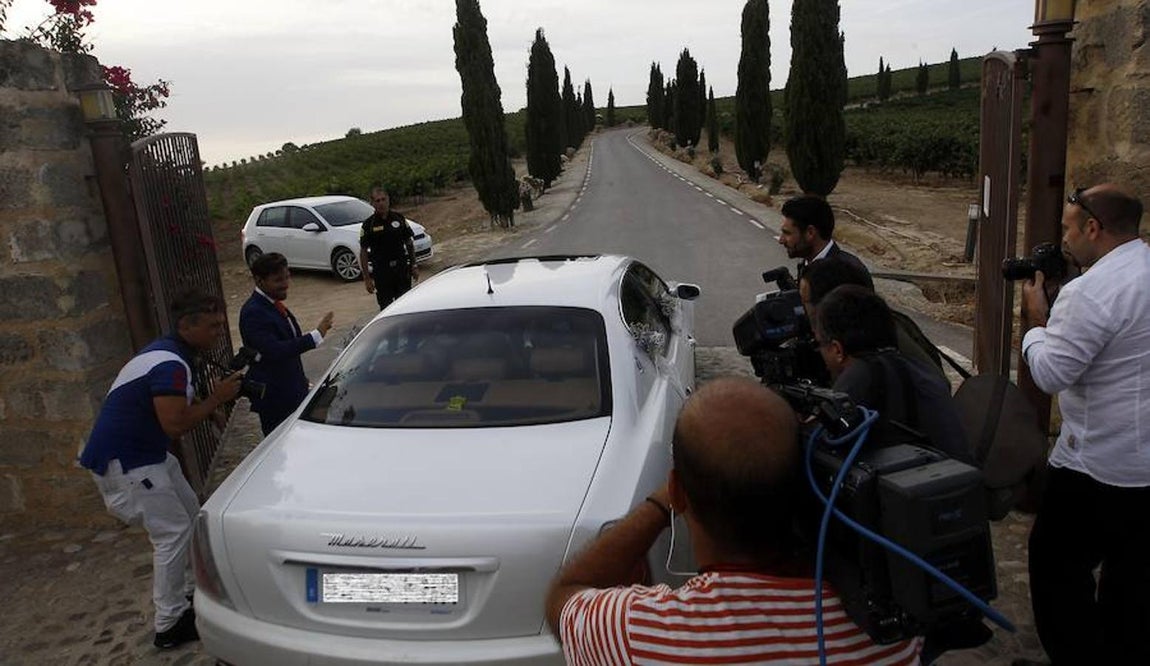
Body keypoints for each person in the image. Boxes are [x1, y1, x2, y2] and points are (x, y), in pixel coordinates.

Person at [545, 377, 923, 665]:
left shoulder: (639, 635)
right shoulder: (894, 628)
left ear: (679, 494)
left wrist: (660, 505)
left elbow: (566, 596)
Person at [1016, 184, 1150, 665]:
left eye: (1069, 228)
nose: (1064, 238)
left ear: (1094, 228)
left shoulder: (1089, 293)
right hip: (1145, 465)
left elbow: (1052, 373)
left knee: (1055, 566)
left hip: (1096, 465)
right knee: (1130, 576)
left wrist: (1036, 324)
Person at [78, 288, 243, 649]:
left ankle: (189, 595)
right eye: (213, 325)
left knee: (190, 517)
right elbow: (174, 424)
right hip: (131, 464)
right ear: (187, 326)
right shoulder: (170, 363)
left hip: (146, 456)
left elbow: (171, 408)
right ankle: (169, 624)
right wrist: (216, 399)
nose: (219, 330)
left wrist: (208, 404)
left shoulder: (169, 353)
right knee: (170, 535)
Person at [813, 284, 971, 464]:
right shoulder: (921, 370)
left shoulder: (858, 378)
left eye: (819, 344)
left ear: (837, 350)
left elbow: (820, 450)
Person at [801, 257, 948, 384]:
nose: (801, 309)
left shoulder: (882, 335)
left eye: (804, 302)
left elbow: (935, 383)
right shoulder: (854, 330)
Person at [239, 252, 334, 435]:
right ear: (259, 281)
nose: (285, 284)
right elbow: (273, 351)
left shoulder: (272, 303)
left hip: (292, 389)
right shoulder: (254, 312)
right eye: (278, 280)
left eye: (287, 277)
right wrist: (316, 335)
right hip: (276, 397)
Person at [778, 194, 874, 288]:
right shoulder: (808, 266)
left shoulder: (847, 276)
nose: (781, 240)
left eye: (787, 233)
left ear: (810, 233)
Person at [359, 185, 418, 310]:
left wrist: (413, 265)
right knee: (386, 307)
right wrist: (367, 278)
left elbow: (409, 243)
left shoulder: (399, 218)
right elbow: (363, 252)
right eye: (377, 201)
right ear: (372, 203)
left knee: (406, 304)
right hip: (382, 272)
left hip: (401, 269)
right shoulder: (368, 225)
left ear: (388, 199)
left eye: (383, 199)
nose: (381, 203)